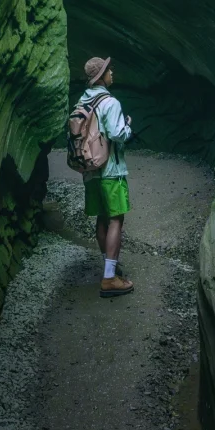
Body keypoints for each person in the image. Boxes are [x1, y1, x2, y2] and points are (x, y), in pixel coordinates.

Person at [77, 55, 134, 298]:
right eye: (110, 70)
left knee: (101, 218)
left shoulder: (83, 100)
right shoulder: (110, 103)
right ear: (102, 76)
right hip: (110, 170)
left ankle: (109, 265)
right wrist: (128, 126)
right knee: (115, 219)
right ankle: (109, 278)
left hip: (91, 170)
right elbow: (117, 133)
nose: (113, 73)